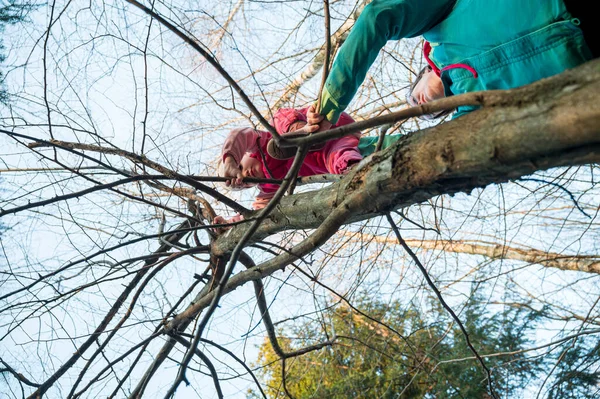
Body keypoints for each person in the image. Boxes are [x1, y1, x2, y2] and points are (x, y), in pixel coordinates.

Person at [306, 0, 595, 125]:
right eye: (428, 115)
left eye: (413, 97)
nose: (419, 106)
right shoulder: (473, 109)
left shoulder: (436, 26)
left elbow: (377, 17)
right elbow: (420, 148)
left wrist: (329, 108)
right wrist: (346, 150)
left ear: (420, 75)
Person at [214, 107, 363, 225]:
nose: (246, 175)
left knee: (277, 120)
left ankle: (300, 134)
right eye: (246, 184)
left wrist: (229, 161)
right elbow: (257, 213)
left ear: (243, 154)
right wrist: (228, 224)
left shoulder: (259, 144)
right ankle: (352, 168)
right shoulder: (268, 186)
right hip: (332, 147)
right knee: (340, 157)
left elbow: (240, 135)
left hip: (323, 121)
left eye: (240, 168)